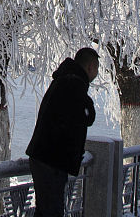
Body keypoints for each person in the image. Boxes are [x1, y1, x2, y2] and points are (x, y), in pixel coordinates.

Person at [26, 48, 99, 217]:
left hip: (47, 157)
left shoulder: (66, 80)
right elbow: (85, 117)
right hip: (51, 160)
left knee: (46, 211)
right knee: (51, 211)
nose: (97, 73)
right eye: (97, 68)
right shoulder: (73, 84)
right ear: (90, 67)